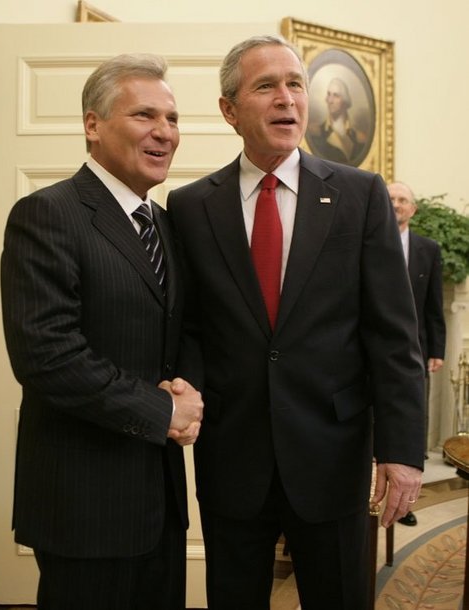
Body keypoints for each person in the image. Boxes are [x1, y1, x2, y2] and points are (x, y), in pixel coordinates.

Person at [167, 36, 425, 610]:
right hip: (232, 454)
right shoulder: (188, 206)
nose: (287, 98)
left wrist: (402, 451)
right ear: (230, 109)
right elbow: (190, 326)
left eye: (295, 84)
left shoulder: (359, 195)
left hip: (332, 451)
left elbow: (393, 334)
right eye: (266, 86)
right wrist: (184, 390)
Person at [0, 53, 203, 610]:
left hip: (159, 501)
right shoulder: (47, 214)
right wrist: (161, 412)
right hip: (83, 506)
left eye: (173, 118)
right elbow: (47, 356)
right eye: (145, 115)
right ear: (93, 125)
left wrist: (186, 389)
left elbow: (175, 330)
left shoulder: (164, 223)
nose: (166, 132)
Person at [388, 181, 446, 527]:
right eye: (391, 199)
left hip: (415, 350)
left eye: (403, 200)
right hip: (370, 353)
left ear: (413, 209)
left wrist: (437, 349)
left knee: (412, 420)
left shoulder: (429, 249)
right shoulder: (365, 240)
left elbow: (433, 306)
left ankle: (406, 505)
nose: (396, 205)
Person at [307, 77, 367, 166]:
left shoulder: (359, 138)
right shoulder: (316, 132)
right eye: (328, 94)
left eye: (336, 95)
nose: (330, 100)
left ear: (345, 101)